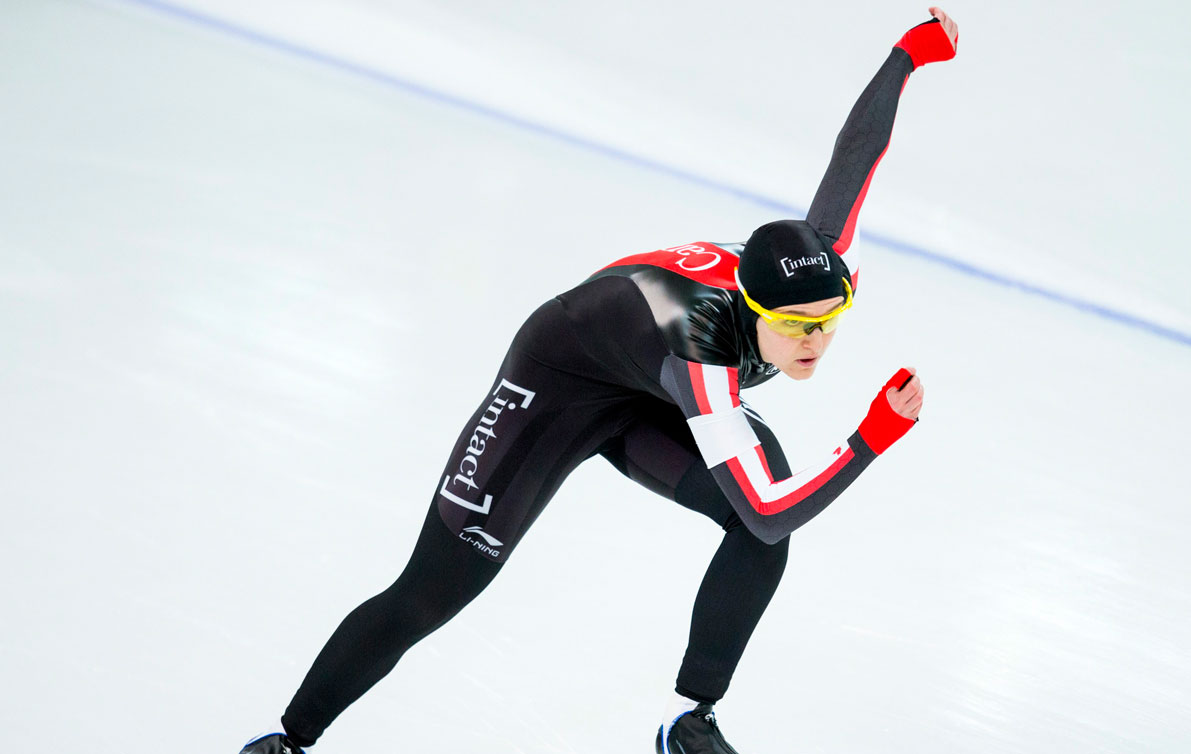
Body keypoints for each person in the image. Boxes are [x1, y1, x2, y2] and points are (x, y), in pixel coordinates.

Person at [239, 8, 958, 754]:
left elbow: (855, 156)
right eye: (793, 325)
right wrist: (870, 439)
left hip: (647, 386)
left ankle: (692, 724)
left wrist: (908, 55)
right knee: (434, 589)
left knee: (756, 528)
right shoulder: (702, 340)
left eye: (828, 319)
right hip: (561, 382)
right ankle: (288, 741)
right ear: (749, 307)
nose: (814, 341)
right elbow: (773, 510)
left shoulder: (827, 260)